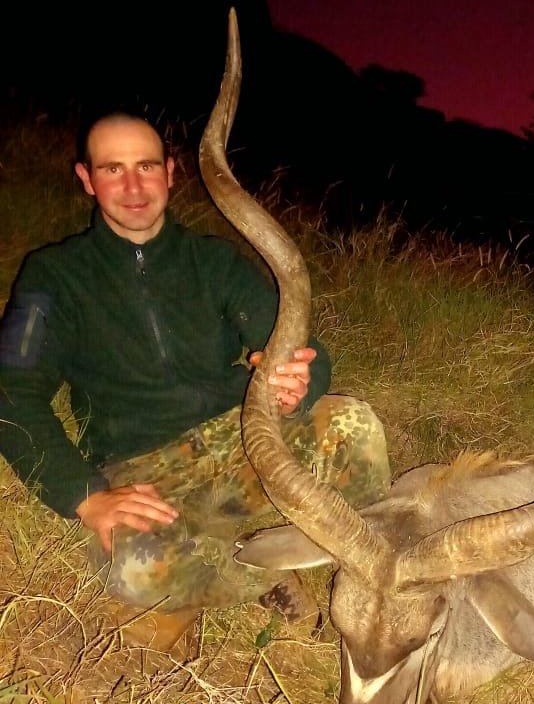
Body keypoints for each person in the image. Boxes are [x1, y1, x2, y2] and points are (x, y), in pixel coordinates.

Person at [0, 113, 391, 651]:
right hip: (142, 470)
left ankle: (249, 561)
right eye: (113, 169)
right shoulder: (52, 276)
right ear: (87, 179)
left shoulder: (214, 262)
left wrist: (303, 377)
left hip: (240, 440)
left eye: (145, 167)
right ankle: (265, 561)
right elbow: (12, 397)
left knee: (356, 427)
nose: (133, 187)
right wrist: (85, 496)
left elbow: (300, 345)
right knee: (139, 571)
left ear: (170, 172)